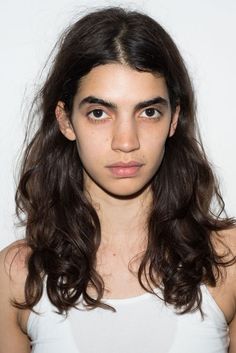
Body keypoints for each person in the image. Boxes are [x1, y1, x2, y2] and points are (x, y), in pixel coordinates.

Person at [0, 6, 235, 353]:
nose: (126, 142)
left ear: (174, 119)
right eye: (99, 113)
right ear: (66, 121)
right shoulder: (16, 276)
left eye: (149, 112)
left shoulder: (229, 260)